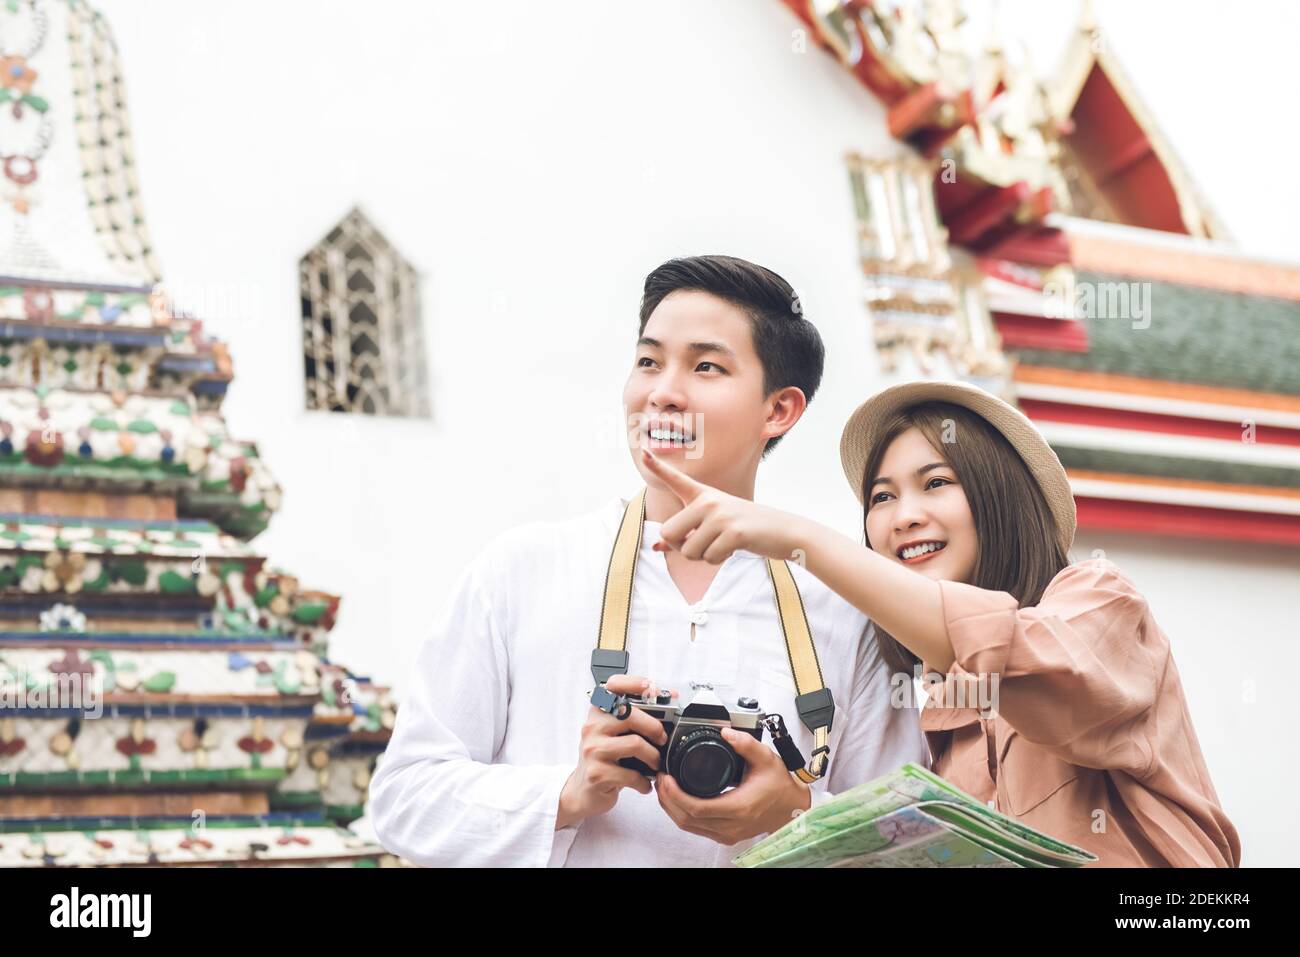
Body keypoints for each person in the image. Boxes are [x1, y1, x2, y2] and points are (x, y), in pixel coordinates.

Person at [369, 255, 927, 867]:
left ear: (778, 411)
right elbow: (403, 800)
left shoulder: (843, 609)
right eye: (648, 361)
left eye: (706, 366)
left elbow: (908, 840)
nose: (662, 392)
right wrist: (569, 791)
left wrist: (797, 812)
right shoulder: (522, 571)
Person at [642, 378, 1241, 867]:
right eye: (881, 498)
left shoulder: (1100, 602)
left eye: (936, 483)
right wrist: (790, 812)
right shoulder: (936, 724)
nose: (904, 516)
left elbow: (1010, 657)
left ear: (999, 496)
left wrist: (795, 538)